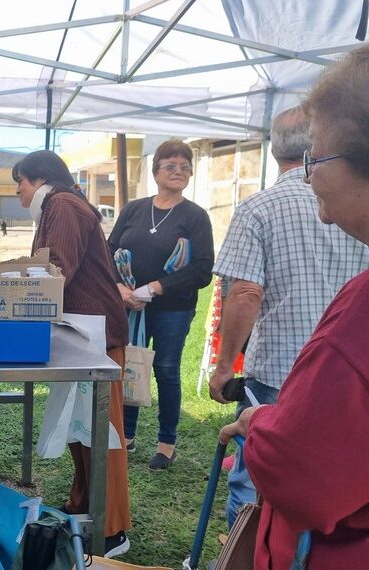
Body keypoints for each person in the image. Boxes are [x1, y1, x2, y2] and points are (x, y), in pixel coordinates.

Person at [219, 45, 369, 569]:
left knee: (249, 496)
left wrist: (256, 422)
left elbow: (303, 474)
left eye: (318, 158)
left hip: (331, 549)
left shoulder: (359, 319)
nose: (309, 175)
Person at [13, 150, 131, 558]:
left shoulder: (61, 205)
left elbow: (54, 272)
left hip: (98, 334)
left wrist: (8, 290)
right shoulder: (58, 206)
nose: (18, 191)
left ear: (40, 179)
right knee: (83, 427)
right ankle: (83, 504)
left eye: (21, 182)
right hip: (83, 333)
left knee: (104, 433)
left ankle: (113, 529)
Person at [107, 140, 214, 469]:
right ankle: (126, 434)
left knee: (166, 370)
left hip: (172, 309)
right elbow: (109, 250)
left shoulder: (195, 216)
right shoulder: (134, 209)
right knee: (129, 367)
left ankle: (167, 442)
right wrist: (120, 287)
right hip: (129, 305)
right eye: (171, 165)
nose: (179, 171)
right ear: (156, 172)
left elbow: (202, 269)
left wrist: (156, 287)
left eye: (185, 166)